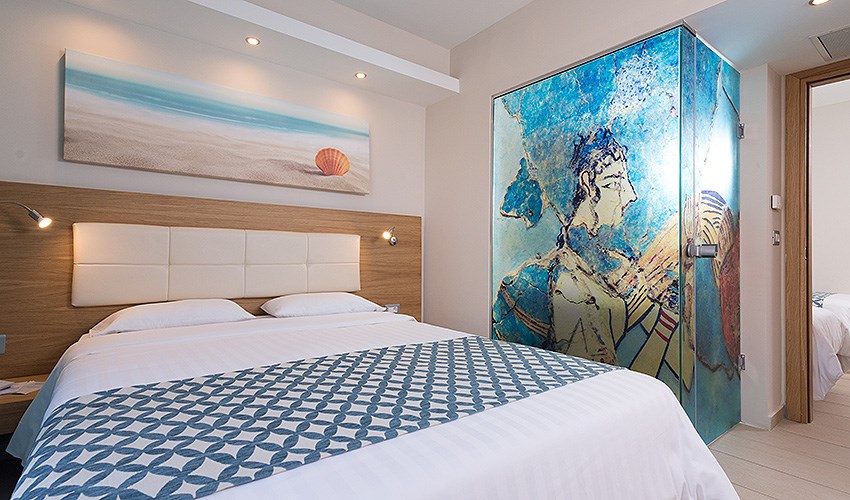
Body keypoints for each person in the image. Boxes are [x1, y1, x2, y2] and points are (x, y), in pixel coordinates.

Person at [493, 127, 692, 387]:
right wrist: (664, 323)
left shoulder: (613, 263)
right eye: (616, 182)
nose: (630, 195)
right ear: (587, 183)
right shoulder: (570, 283)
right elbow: (601, 385)